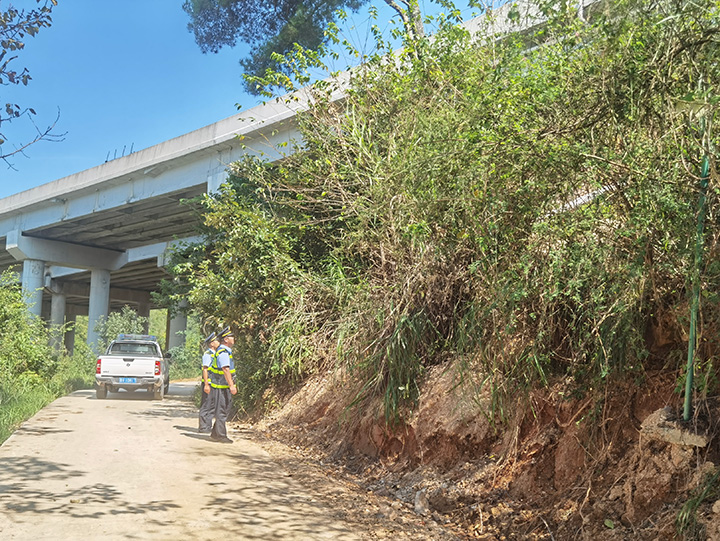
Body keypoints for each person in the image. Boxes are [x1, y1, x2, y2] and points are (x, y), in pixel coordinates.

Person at [208, 326, 237, 443]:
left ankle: (215, 433)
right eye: (231, 337)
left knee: (223, 409)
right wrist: (232, 385)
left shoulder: (224, 351)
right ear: (226, 339)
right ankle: (221, 436)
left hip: (221, 386)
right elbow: (225, 369)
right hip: (221, 386)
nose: (233, 338)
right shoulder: (223, 352)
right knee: (222, 410)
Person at [198, 331, 219, 433]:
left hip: (213, 383)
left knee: (211, 405)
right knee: (206, 404)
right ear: (211, 343)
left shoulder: (215, 354)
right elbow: (205, 369)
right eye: (216, 341)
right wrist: (206, 384)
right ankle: (203, 426)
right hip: (208, 383)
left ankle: (208, 426)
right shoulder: (208, 354)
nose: (218, 342)